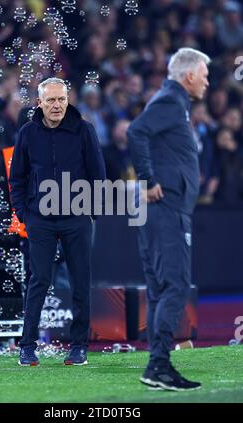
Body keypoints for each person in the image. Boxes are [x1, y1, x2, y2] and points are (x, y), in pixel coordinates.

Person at [128, 48, 210, 391]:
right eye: (204, 73)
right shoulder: (171, 100)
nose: (207, 80)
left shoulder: (172, 101)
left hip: (158, 210)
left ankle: (157, 366)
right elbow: (135, 132)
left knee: (161, 288)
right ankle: (158, 365)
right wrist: (147, 179)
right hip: (165, 209)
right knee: (174, 285)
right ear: (189, 75)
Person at [9, 77, 106, 366]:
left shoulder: (84, 131)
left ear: (68, 100)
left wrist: (91, 213)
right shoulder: (27, 132)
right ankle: (27, 346)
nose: (56, 105)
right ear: (39, 103)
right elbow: (17, 178)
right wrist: (26, 216)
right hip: (40, 220)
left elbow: (98, 175)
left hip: (77, 218)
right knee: (38, 281)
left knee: (80, 282)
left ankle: (79, 346)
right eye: (50, 100)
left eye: (61, 99)